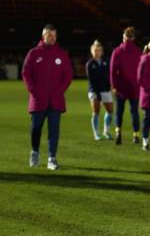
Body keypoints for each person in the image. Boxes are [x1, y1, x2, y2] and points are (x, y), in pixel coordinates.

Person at [22, 24, 73, 170]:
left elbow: (68, 75)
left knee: (54, 130)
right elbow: (26, 74)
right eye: (48, 35)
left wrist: (59, 91)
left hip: (55, 100)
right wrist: (33, 90)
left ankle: (52, 158)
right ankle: (35, 153)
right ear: (43, 36)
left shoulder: (62, 53)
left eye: (54, 35)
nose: (51, 38)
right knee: (36, 128)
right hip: (38, 99)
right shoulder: (33, 53)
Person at [110, 26, 141, 145]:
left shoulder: (117, 51)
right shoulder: (138, 51)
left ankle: (118, 132)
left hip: (121, 86)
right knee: (134, 112)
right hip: (134, 86)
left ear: (124, 37)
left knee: (119, 111)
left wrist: (114, 85)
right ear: (133, 38)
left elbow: (112, 71)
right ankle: (136, 135)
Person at [85, 40, 113, 140]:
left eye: (99, 50)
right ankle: (96, 133)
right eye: (95, 50)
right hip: (94, 91)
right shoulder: (89, 64)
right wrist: (98, 94)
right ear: (92, 51)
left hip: (105, 90)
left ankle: (106, 131)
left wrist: (110, 87)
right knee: (96, 112)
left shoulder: (105, 61)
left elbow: (108, 76)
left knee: (110, 111)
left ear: (102, 51)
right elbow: (91, 80)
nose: (97, 52)